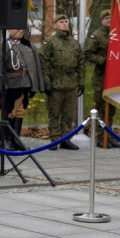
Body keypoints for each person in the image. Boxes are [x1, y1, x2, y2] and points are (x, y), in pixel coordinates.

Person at [38, 15, 84, 150]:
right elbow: (43, 63)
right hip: (55, 83)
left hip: (71, 83)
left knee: (68, 115)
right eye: (61, 22)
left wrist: (81, 82)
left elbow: (81, 63)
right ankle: (54, 139)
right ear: (55, 25)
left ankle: (66, 139)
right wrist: (46, 82)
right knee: (54, 113)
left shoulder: (74, 43)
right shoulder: (50, 42)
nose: (64, 24)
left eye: (66, 22)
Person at [0, 28, 44, 136]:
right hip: (10, 84)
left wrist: (34, 85)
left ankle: (15, 138)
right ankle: (7, 138)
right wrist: (1, 87)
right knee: (10, 111)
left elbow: (34, 66)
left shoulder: (27, 46)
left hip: (25, 83)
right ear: (9, 30)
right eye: (17, 28)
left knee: (20, 110)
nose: (20, 31)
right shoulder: (4, 45)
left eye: (21, 29)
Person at [84, 9, 120, 148]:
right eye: (106, 18)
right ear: (102, 20)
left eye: (111, 18)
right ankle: (100, 137)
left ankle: (109, 135)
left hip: (114, 76)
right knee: (101, 107)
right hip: (102, 76)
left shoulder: (117, 35)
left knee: (111, 109)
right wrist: (103, 60)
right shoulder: (97, 35)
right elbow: (87, 53)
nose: (109, 20)